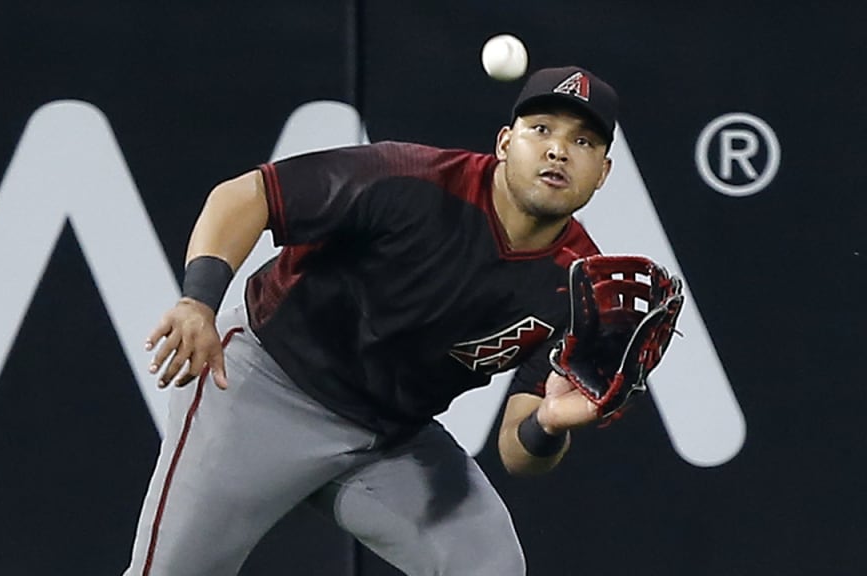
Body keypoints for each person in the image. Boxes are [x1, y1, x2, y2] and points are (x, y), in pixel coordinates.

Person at [123, 66, 619, 576]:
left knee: (489, 566)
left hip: (391, 441)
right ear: (504, 142)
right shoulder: (413, 179)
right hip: (264, 389)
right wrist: (197, 302)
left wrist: (550, 425)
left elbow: (519, 453)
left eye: (582, 140)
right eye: (541, 130)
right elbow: (247, 196)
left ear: (602, 172)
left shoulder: (580, 286)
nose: (558, 150)